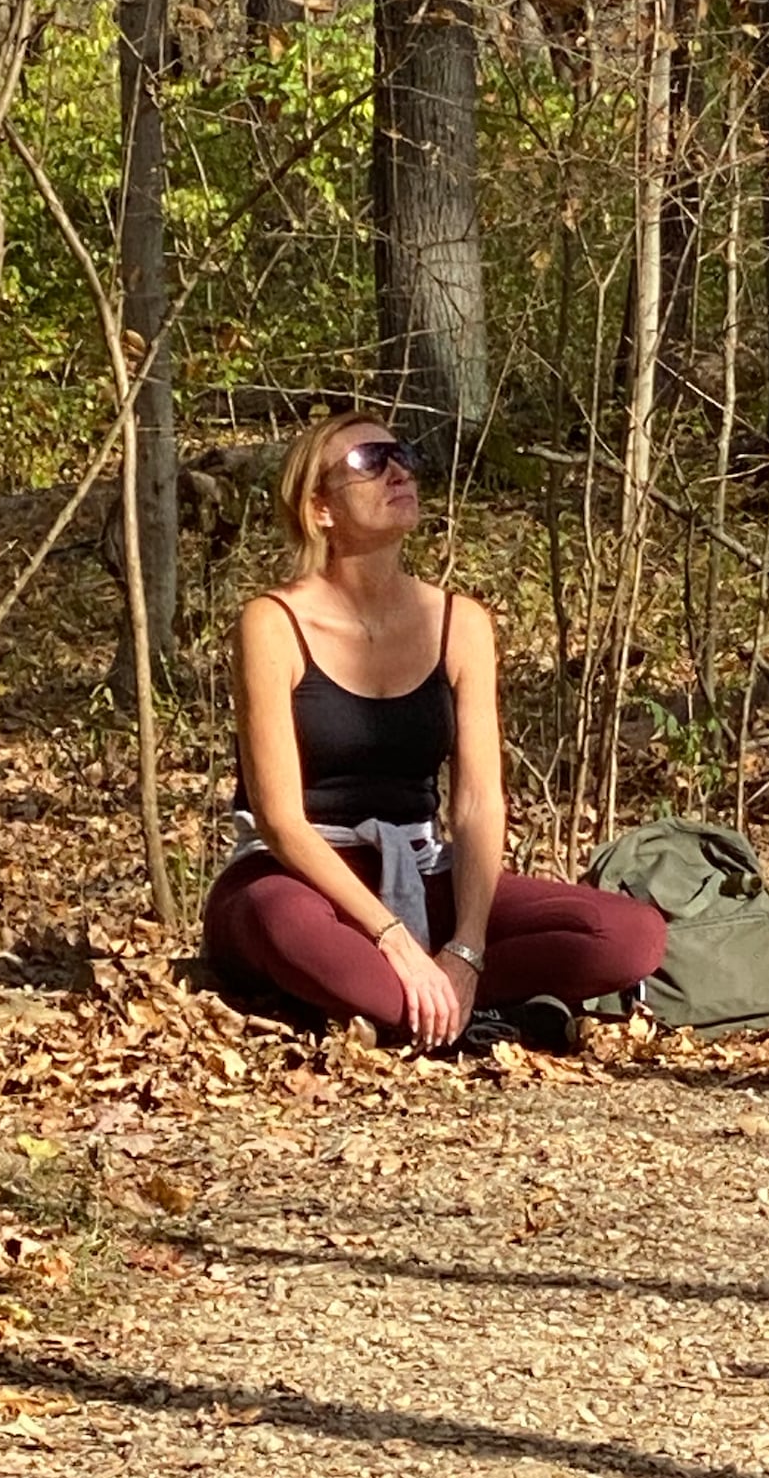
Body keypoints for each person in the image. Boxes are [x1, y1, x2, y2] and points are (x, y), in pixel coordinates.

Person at [202, 411, 667, 1049]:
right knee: (286, 927)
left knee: (629, 936)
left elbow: (476, 805)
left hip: (416, 872)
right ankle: (469, 1015)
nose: (397, 471)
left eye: (402, 455)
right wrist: (394, 938)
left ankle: (421, 1009)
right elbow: (280, 821)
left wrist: (467, 948)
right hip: (293, 880)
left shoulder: (460, 622)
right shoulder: (271, 622)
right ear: (320, 509)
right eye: (368, 463)